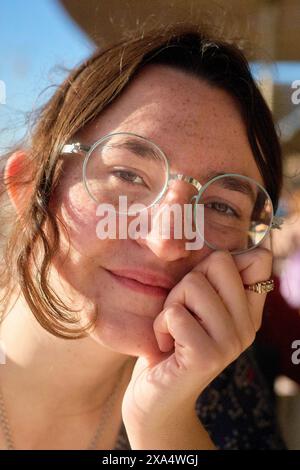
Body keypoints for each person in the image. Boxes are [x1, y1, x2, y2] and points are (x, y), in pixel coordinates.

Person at [0, 22, 285, 450]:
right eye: (128, 175)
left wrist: (166, 428)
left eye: (221, 206)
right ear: (29, 190)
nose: (167, 241)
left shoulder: (217, 385)